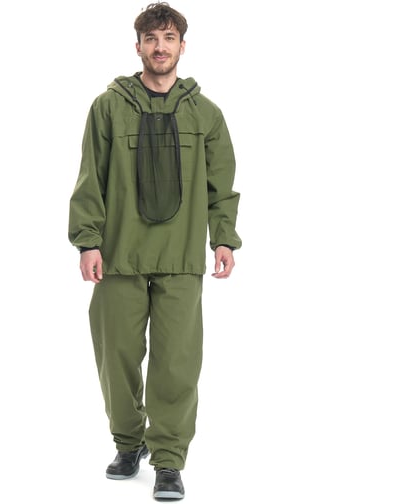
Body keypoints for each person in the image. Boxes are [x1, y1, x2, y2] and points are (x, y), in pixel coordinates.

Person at [68, 2, 242, 500]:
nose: (160, 47)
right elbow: (90, 178)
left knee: (177, 363)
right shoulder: (108, 106)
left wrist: (223, 237)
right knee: (116, 357)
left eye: (168, 38)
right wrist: (88, 240)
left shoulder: (206, 114)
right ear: (138, 46)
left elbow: (221, 185)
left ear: (182, 46)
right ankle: (128, 443)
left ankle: (168, 459)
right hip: (118, 254)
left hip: (181, 256)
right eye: (151, 39)